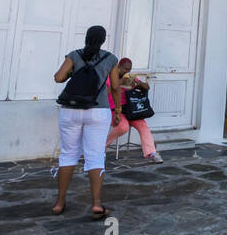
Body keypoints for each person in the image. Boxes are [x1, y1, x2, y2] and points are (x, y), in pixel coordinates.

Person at [52, 25, 121, 219]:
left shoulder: (74, 55)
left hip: (70, 111)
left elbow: (58, 77)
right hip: (98, 111)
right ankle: (97, 204)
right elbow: (116, 87)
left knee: (68, 154)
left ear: (86, 38)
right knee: (96, 156)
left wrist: (73, 73)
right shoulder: (110, 59)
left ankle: (59, 203)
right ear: (103, 40)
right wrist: (117, 110)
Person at [105, 58, 162, 162]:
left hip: (131, 110)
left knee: (143, 126)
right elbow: (105, 93)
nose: (127, 72)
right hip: (115, 110)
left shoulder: (130, 78)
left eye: (129, 70)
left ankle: (151, 153)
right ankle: (101, 147)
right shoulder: (110, 78)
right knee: (123, 127)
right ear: (118, 67)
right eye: (125, 69)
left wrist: (138, 84)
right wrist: (119, 83)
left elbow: (147, 87)